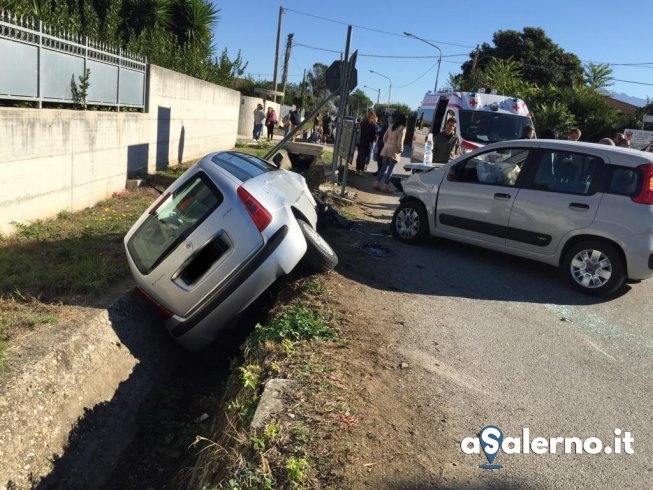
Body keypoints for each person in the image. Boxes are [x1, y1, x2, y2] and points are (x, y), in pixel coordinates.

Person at [374, 112, 406, 193]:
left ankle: (376, 184)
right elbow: (400, 141)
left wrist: (387, 144)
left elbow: (384, 137)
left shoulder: (391, 126)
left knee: (383, 167)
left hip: (386, 149)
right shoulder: (402, 128)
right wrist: (401, 150)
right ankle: (385, 187)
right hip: (394, 151)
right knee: (390, 170)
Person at [355, 111, 378, 176]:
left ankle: (357, 170)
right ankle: (361, 171)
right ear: (372, 116)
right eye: (373, 117)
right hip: (367, 142)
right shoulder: (372, 124)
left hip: (360, 141)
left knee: (359, 156)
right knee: (363, 157)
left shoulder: (362, 123)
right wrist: (372, 142)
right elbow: (373, 134)